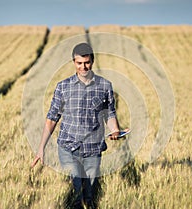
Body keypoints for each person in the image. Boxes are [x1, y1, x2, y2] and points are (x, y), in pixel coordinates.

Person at [31, 42, 121, 208]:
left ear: (92, 61)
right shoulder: (63, 87)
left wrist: (115, 130)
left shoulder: (105, 86)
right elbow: (52, 118)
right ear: (74, 62)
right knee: (76, 193)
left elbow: (109, 113)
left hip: (93, 148)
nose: (83, 67)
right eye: (79, 63)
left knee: (90, 195)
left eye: (86, 62)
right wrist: (41, 148)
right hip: (68, 147)